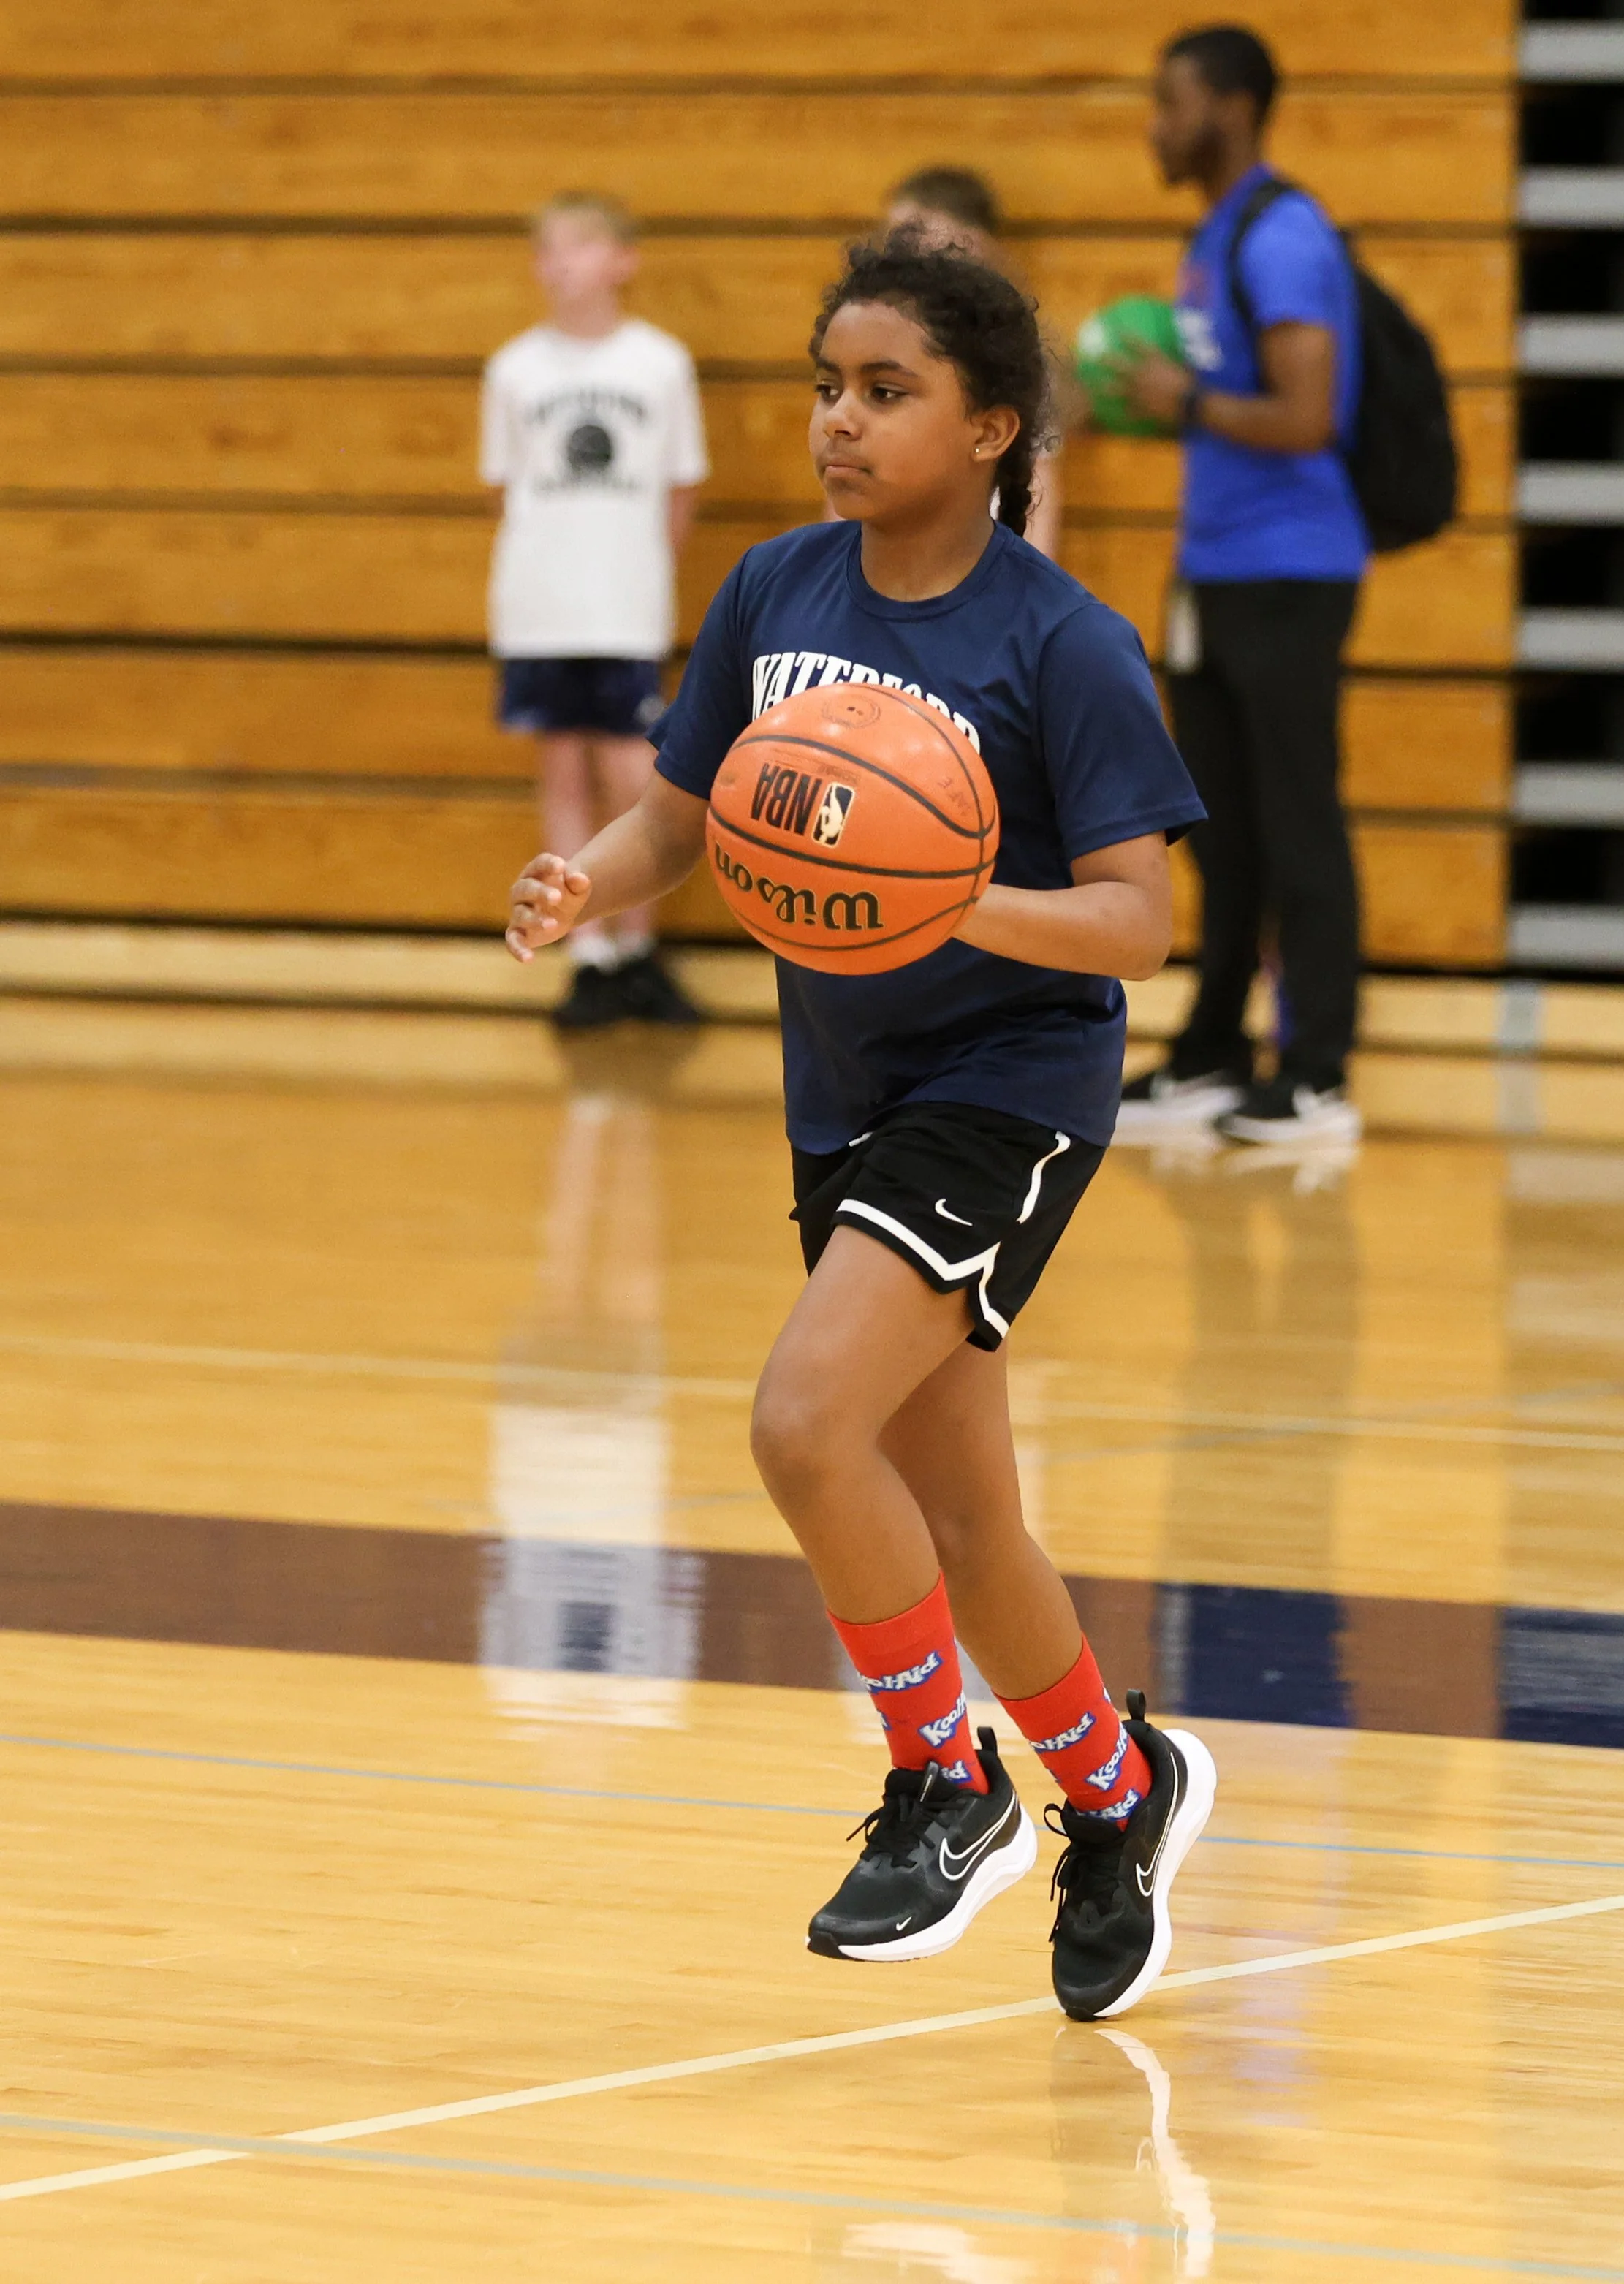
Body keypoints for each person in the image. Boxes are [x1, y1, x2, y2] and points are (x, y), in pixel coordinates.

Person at [505, 233, 1218, 2021]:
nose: (838, 419)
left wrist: (961, 900)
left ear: (991, 427)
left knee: (807, 1420)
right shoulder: (773, 588)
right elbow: (687, 815)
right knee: (963, 1512)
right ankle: (1120, 1793)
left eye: (884, 391)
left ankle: (943, 1778)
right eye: (826, 384)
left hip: (1013, 1080)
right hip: (847, 1090)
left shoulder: (1064, 643)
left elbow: (1140, 921)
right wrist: (582, 882)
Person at [1116, 26, 1367, 1145]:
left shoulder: (1285, 235)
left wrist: (1184, 400)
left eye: (1170, 101)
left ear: (1227, 104)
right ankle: (1216, 1048)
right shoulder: (1212, 237)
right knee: (1215, 827)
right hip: (1212, 573)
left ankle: (1314, 1072)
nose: (1155, 124)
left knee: (1298, 820)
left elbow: (1310, 418)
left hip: (1291, 572)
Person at [482, 190, 709, 1030]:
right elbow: (511, 491)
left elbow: (682, 486)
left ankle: (638, 948)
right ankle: (586, 954)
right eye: (546, 250)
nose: (559, 264)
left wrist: (646, 575)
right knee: (564, 774)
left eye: (577, 246)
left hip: (623, 604)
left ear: (622, 260)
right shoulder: (514, 368)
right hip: (540, 605)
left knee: (634, 779)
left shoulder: (658, 363)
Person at [877, 167, 1066, 561]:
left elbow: (1039, 484)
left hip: (983, 572)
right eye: (892, 242)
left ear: (970, 243)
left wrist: (1030, 590)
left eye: (912, 240)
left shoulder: (1018, 351)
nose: (899, 258)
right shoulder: (877, 344)